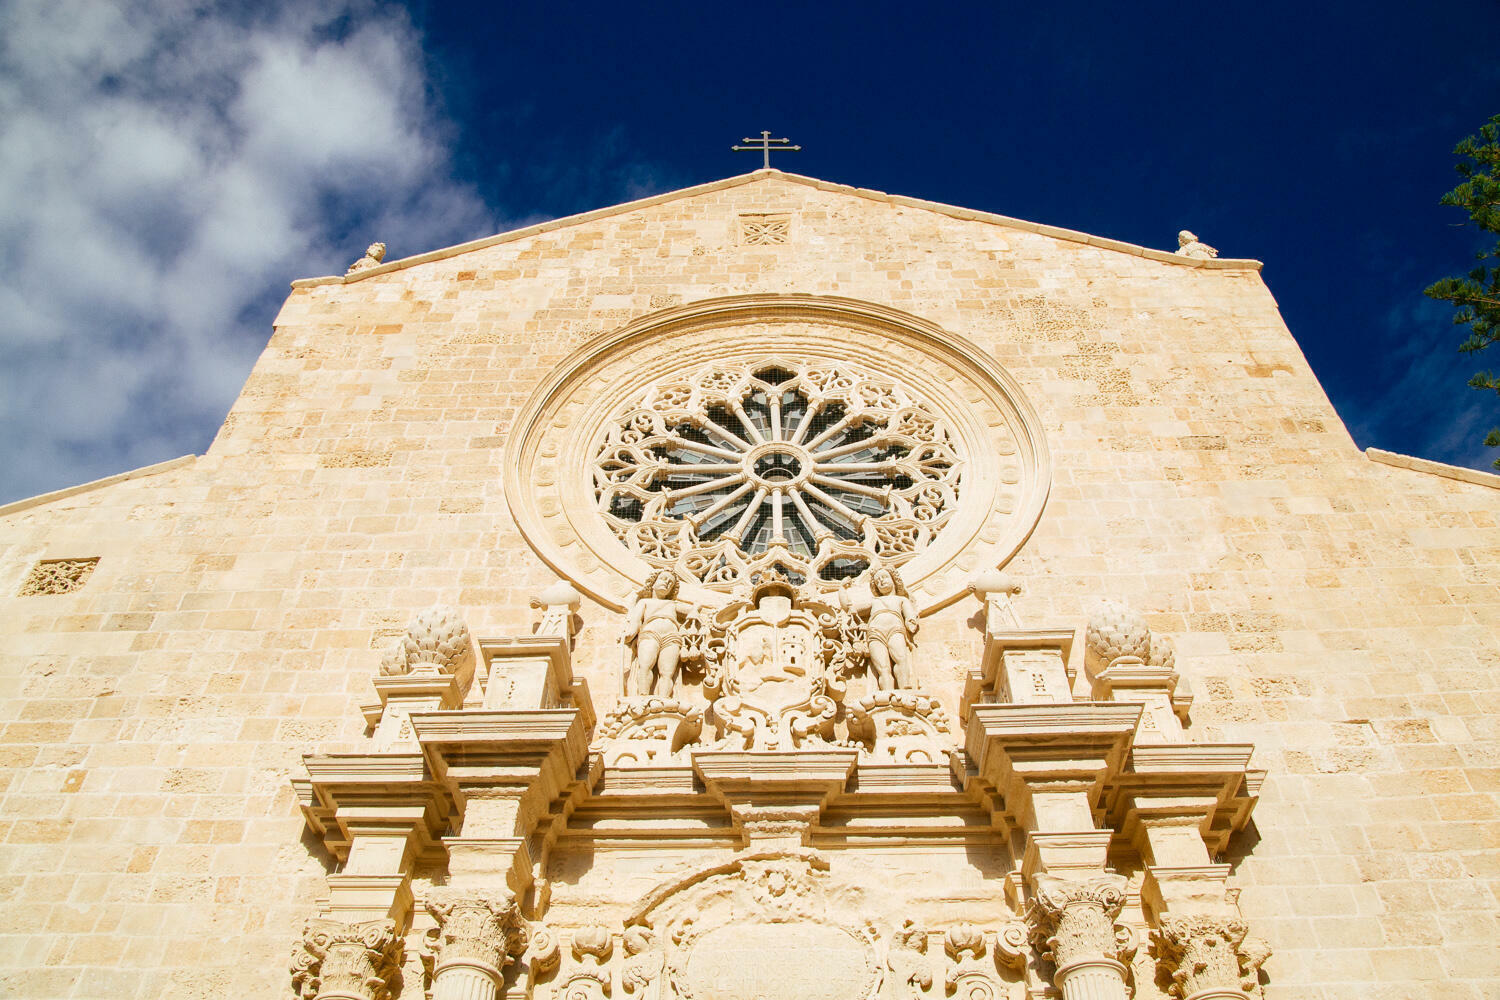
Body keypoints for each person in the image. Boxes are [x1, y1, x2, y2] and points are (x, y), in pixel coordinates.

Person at [849, 564, 918, 690]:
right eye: (877, 581)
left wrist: (910, 621)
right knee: (883, 668)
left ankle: (905, 689)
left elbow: (910, 614)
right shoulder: (874, 601)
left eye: (884, 577)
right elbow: (851, 609)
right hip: (875, 633)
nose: (881, 581)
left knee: (901, 659)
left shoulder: (901, 599)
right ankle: (887, 694)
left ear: (894, 580)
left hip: (895, 630)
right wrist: (843, 590)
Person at [624, 569, 691, 696]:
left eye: (670, 583)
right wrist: (631, 633)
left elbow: (693, 608)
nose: (667, 583)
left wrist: (695, 610)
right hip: (650, 633)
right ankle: (643, 696)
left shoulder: (672, 604)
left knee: (667, 673)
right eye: (663, 578)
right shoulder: (645, 602)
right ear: (653, 583)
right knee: (645, 666)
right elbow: (636, 620)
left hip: (672, 637)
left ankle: (664, 699)